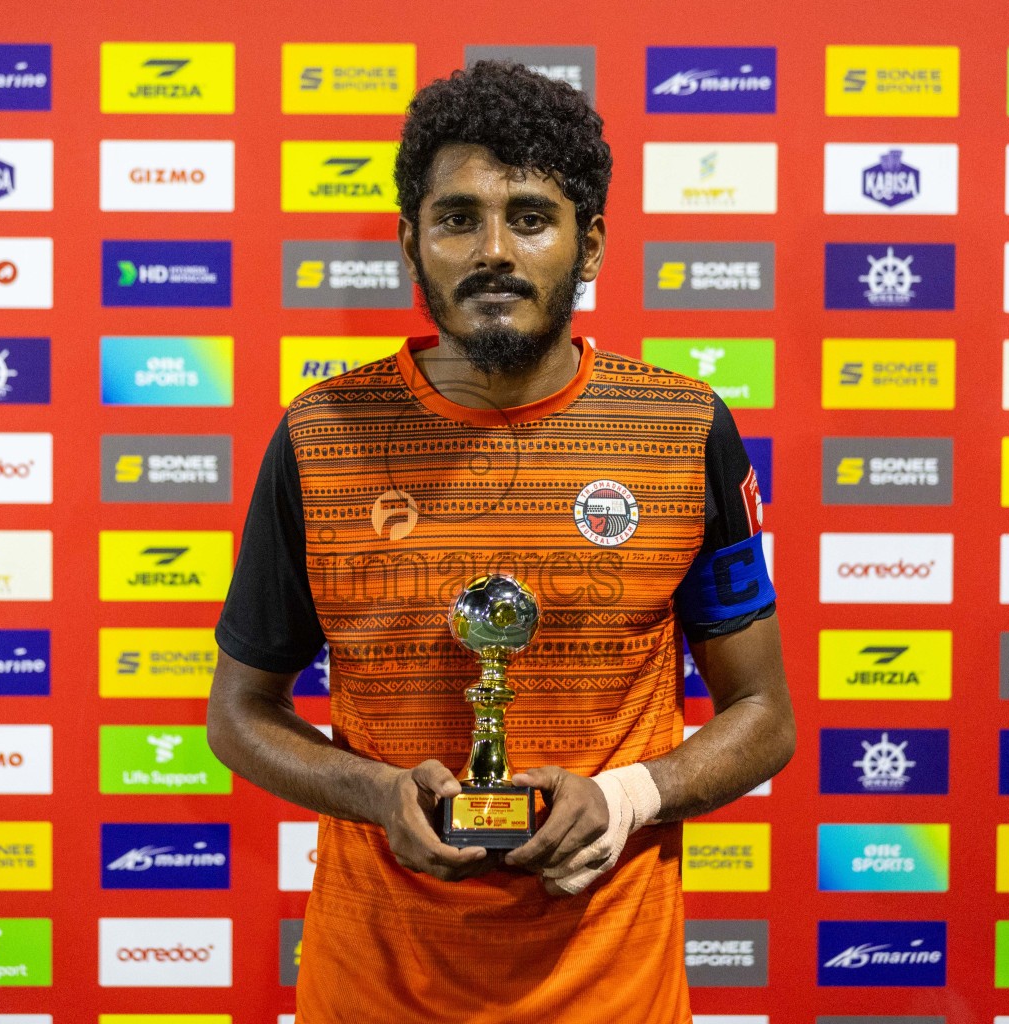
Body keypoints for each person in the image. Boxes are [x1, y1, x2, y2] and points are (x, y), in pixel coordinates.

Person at [207, 60, 794, 1024]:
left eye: (529, 216)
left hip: (614, 992)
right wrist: (375, 791)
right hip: (371, 990)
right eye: (455, 219)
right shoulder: (320, 434)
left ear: (589, 242)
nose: (492, 249)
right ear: (411, 242)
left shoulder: (683, 428)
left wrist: (629, 798)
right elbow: (240, 712)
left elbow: (764, 712)